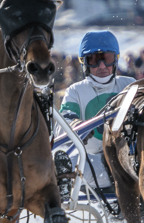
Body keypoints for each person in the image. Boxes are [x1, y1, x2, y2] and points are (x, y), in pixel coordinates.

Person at [53, 31, 135, 195]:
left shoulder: (130, 85)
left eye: (107, 59)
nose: (102, 66)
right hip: (98, 163)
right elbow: (62, 127)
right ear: (85, 63)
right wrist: (77, 126)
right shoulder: (75, 91)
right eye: (95, 60)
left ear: (116, 60)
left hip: (133, 161)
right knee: (66, 161)